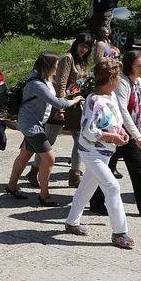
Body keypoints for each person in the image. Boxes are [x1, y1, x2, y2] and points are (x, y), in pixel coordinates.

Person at [64, 58, 135, 249]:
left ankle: (72, 222)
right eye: (118, 76)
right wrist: (112, 137)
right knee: (112, 187)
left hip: (104, 153)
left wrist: (120, 132)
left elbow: (115, 121)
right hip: (91, 152)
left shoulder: (110, 97)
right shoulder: (93, 101)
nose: (119, 80)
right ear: (111, 78)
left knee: (87, 187)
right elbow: (88, 131)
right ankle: (120, 233)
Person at [88, 50, 141, 216]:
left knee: (137, 169)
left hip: (129, 132)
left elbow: (138, 104)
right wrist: (137, 135)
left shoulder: (139, 82)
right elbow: (122, 111)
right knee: (108, 168)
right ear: (130, 65)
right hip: (117, 132)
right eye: (139, 65)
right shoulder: (122, 82)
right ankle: (96, 203)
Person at [5, 52, 84, 205]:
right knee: (49, 158)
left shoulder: (43, 79)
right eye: (55, 65)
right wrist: (74, 100)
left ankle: (11, 186)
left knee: (25, 155)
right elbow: (57, 102)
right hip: (31, 126)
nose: (57, 68)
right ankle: (44, 195)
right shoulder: (37, 84)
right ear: (48, 67)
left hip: (33, 122)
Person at [27, 33, 93, 188]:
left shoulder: (81, 61)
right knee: (49, 139)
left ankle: (74, 174)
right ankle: (33, 171)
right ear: (76, 43)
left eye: (87, 47)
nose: (84, 49)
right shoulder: (68, 58)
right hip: (62, 104)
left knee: (80, 139)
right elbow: (60, 84)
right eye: (82, 45)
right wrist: (60, 108)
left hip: (75, 105)